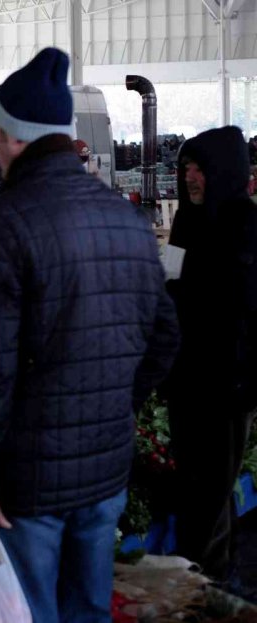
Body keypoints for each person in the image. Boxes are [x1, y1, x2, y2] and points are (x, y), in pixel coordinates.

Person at [0, 48, 180, 623]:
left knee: (32, 611)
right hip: (106, 470)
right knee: (88, 610)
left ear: (19, 138)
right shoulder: (125, 218)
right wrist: (116, 402)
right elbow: (165, 337)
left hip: (32, 480)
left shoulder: (5, 224)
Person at [165, 126, 257, 582]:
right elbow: (171, 286)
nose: (191, 178)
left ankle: (202, 584)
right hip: (186, 381)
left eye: (200, 169)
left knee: (213, 488)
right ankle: (209, 579)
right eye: (186, 169)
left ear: (223, 171)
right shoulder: (185, 223)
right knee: (197, 486)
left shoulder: (246, 226)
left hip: (228, 386)